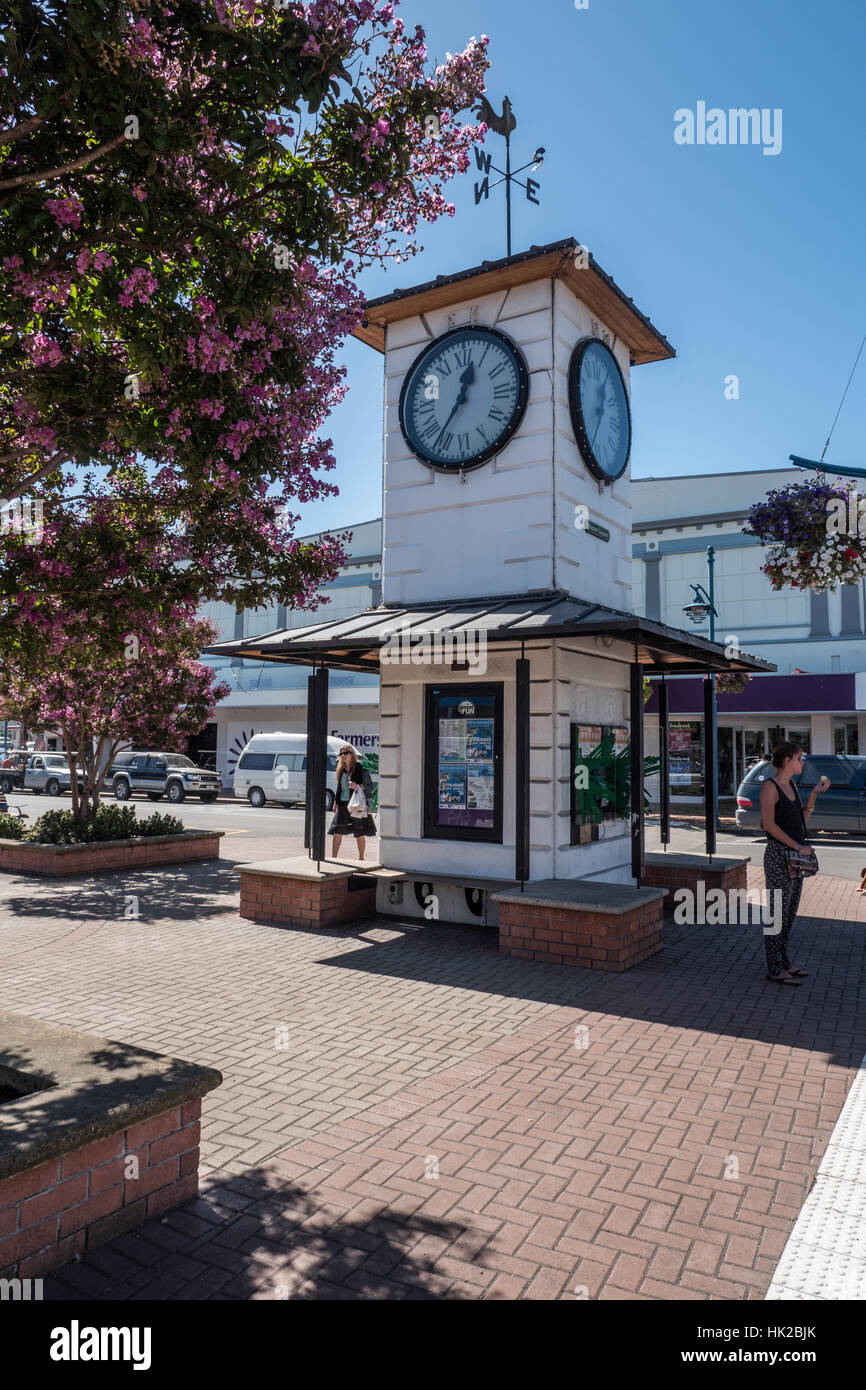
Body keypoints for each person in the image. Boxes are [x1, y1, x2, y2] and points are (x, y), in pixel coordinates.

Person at [760, 743, 829, 986]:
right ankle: (774, 968)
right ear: (788, 760)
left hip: (794, 859)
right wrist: (798, 847)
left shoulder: (791, 785)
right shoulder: (770, 787)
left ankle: (784, 961)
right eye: (800, 758)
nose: (803, 762)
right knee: (776, 913)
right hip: (779, 856)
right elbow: (769, 825)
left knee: (789, 913)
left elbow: (800, 820)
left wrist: (813, 795)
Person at [328, 743, 376, 862]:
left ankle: (361, 858)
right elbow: (339, 787)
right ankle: (334, 859)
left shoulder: (359, 767)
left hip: (356, 804)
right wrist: (335, 802)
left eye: (345, 753)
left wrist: (356, 785)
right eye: (341, 754)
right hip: (343, 804)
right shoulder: (341, 769)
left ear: (351, 754)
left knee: (359, 832)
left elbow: (368, 785)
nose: (343, 755)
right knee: (337, 832)